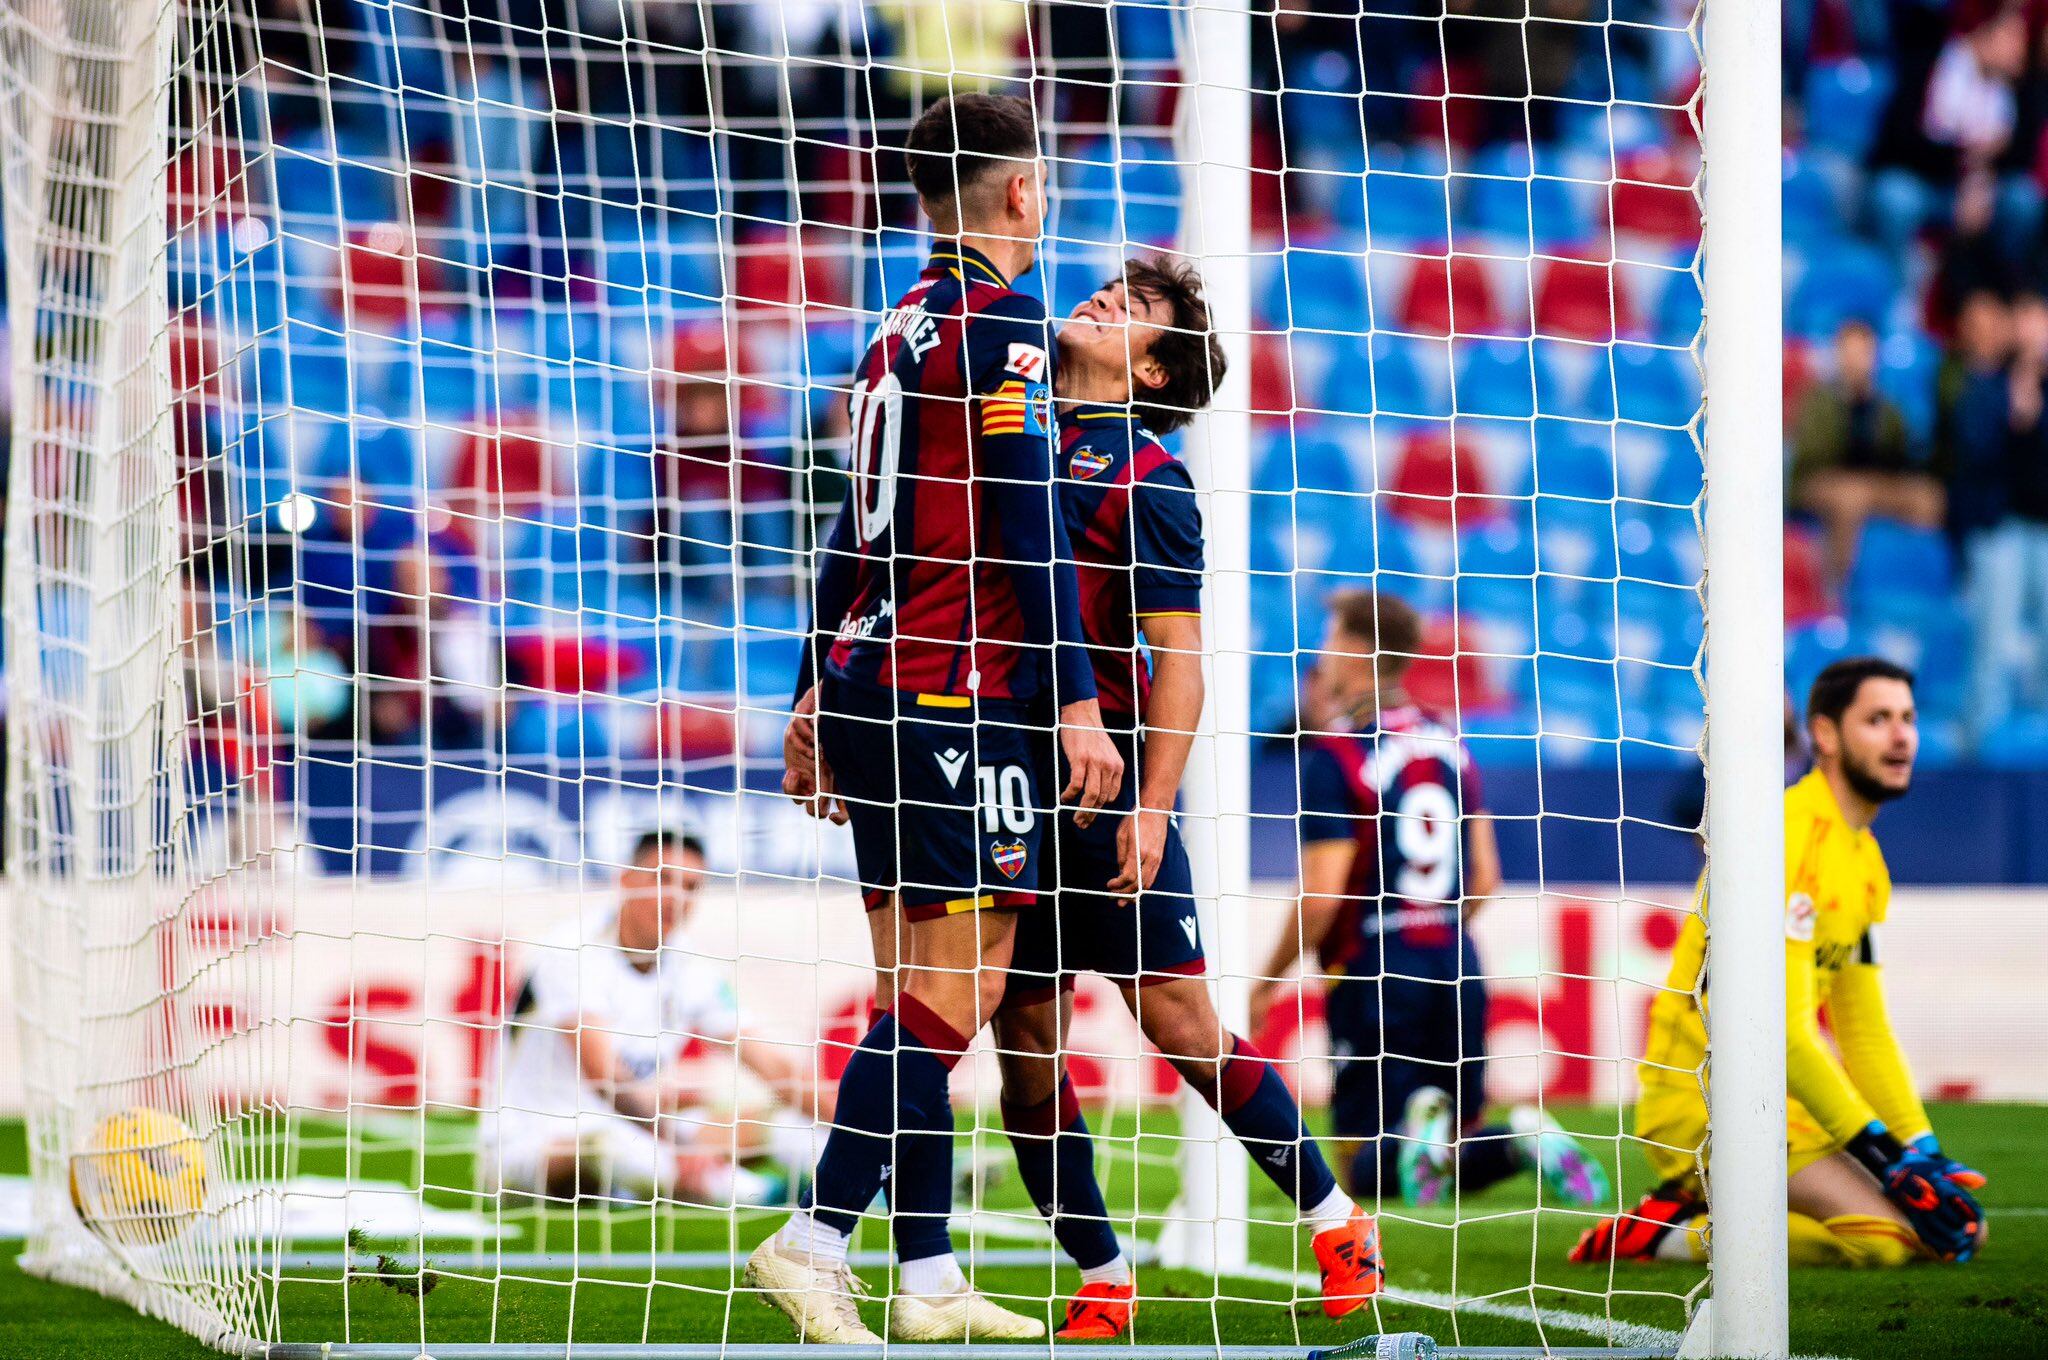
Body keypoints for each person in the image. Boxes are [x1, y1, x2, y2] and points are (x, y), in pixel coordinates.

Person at [754, 92, 1123, 1343]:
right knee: (954, 993)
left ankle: (924, 1273)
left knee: (913, 987)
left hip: (869, 678)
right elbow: (1027, 527)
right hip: (956, 693)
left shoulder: (896, 325)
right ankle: (815, 1239)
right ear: (1021, 195)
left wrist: (809, 684)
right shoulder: (1003, 322)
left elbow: (847, 524)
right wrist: (1074, 700)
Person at [983, 259, 1381, 1342]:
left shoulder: (1148, 479)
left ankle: (1338, 1222)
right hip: (994, 778)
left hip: (1100, 792)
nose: (1105, 301)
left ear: (1152, 369)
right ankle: (1104, 1271)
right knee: (1023, 1047)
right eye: (1108, 289)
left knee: (1179, 1022)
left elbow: (1182, 662)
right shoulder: (1006, 425)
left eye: (1135, 310)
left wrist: (1152, 805)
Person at [1569, 659, 1988, 1269]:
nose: (1901, 737)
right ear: (1825, 735)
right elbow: (1784, 1031)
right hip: (1703, 1103)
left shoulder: (1864, 859)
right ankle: (1660, 1232)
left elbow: (1862, 1028)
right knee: (1885, 1240)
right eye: (1878, 720)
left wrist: (1923, 1149)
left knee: (1955, 1233)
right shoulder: (1782, 837)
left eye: (1908, 719)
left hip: (1782, 1104)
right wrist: (1883, 1155)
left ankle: (1713, 1209)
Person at [1251, 591, 1608, 1211]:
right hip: (1456, 962)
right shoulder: (1451, 744)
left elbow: (1324, 893)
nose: (1324, 653)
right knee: (1447, 1151)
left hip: (1374, 968)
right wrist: (1436, 924)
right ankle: (1522, 1138)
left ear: (1360, 650)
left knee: (1358, 1167)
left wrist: (1269, 978)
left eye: (1332, 639)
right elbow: (1487, 876)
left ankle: (1419, 1132)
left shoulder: (1336, 754)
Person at [484, 830, 826, 1205]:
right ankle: (757, 1193)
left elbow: (773, 1064)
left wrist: (862, 1129)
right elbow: (606, 1077)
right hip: (538, 1143)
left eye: (691, 887)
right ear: (626, 879)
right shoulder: (569, 949)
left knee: (783, 1127)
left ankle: (854, 1181)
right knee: (606, 1147)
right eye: (662, 879)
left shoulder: (690, 966)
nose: (676, 898)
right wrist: (677, 1143)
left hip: (640, 1128)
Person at [1788, 318, 1943, 595]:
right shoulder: (1819, 401)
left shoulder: (1885, 407)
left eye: (1863, 352)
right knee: (1851, 497)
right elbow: (1813, 457)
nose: (1856, 360)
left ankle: (1913, 587)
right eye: (1850, 352)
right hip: (1821, 483)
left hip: (1874, 483)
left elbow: (1899, 456)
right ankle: (1838, 592)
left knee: (1928, 498)